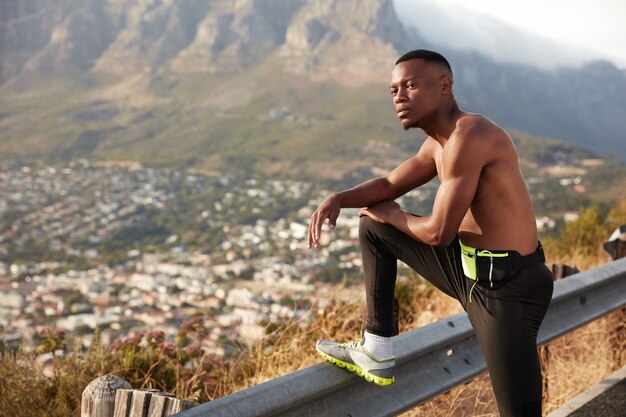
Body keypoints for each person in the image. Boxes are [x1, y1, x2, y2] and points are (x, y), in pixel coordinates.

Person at [308, 49, 553, 417]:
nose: (399, 97)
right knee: (373, 225)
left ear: (444, 86)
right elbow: (390, 182)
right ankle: (376, 349)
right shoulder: (437, 144)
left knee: (519, 413)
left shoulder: (469, 136)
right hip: (468, 270)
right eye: (393, 90)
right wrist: (338, 199)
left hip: (508, 288)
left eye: (409, 85)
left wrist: (393, 213)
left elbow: (438, 232)